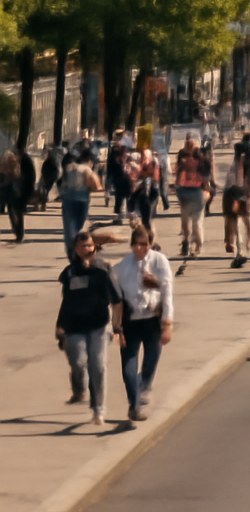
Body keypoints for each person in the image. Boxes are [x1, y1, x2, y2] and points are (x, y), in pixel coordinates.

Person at [56, 229, 124, 427]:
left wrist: (117, 326)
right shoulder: (70, 272)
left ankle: (98, 409)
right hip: (74, 325)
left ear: (95, 247)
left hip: (99, 325)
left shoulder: (103, 269)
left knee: (98, 366)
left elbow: (117, 300)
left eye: (89, 245)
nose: (87, 249)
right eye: (82, 246)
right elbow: (66, 301)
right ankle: (78, 387)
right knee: (78, 362)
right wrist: (59, 326)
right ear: (76, 249)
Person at [111, 223, 174, 421]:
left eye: (144, 244)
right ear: (131, 245)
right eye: (136, 244)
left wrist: (167, 325)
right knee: (129, 363)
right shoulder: (123, 266)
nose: (140, 248)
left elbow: (167, 293)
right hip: (131, 321)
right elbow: (116, 298)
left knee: (150, 361)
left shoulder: (159, 261)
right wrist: (116, 326)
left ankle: (143, 386)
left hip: (152, 321)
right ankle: (134, 405)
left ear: (150, 244)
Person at [174, 135, 207, 258]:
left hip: (184, 191)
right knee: (196, 222)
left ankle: (187, 241)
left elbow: (177, 173)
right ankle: (197, 247)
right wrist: (207, 189)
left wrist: (176, 185)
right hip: (196, 191)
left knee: (185, 221)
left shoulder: (182, 157)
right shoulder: (199, 158)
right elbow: (205, 175)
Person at [222, 143, 250, 266]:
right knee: (237, 224)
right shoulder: (238, 165)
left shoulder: (239, 165)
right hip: (235, 195)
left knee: (238, 223)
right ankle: (239, 251)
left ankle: (239, 250)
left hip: (235, 195)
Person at [0, 147, 36, 243]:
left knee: (14, 212)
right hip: (10, 190)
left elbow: (18, 176)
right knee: (14, 213)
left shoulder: (16, 165)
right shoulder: (8, 165)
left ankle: (19, 233)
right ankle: (18, 233)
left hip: (13, 191)